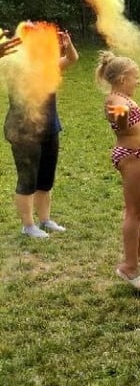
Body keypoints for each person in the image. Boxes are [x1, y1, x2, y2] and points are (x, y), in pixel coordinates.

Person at [6, 27, 76, 238]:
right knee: (27, 180)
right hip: (23, 133)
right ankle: (28, 226)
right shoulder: (14, 69)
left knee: (46, 179)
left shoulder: (48, 67)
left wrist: (68, 45)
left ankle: (45, 221)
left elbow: (72, 59)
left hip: (50, 129)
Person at [98, 51, 140, 292]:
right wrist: (120, 117)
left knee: (139, 209)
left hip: (136, 156)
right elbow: (118, 112)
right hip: (129, 157)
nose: (138, 81)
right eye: (135, 77)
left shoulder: (121, 96)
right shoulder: (114, 99)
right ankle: (129, 266)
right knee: (133, 212)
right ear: (122, 79)